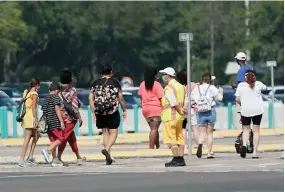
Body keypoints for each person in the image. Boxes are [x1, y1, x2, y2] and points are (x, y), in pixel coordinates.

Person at [89, 65, 127, 165]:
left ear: (101, 73)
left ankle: (108, 156)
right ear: (111, 72)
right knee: (114, 133)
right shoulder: (115, 82)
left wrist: (94, 111)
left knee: (105, 132)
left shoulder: (96, 83)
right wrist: (124, 110)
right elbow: (121, 98)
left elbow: (90, 98)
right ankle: (106, 149)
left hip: (100, 111)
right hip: (112, 111)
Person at [235, 70, 267, 159]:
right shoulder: (259, 84)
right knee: (256, 130)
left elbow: (237, 99)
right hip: (257, 110)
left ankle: (244, 145)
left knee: (246, 129)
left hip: (245, 110)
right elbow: (265, 88)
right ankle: (255, 152)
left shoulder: (241, 85)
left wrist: (243, 104)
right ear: (254, 76)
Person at [57, 69, 85, 166]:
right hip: (70, 119)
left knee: (71, 138)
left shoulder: (58, 90)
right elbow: (75, 106)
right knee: (64, 138)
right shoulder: (72, 90)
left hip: (60, 117)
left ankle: (78, 157)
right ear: (71, 79)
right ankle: (57, 157)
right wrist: (80, 118)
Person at [159, 67, 186, 167]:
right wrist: (182, 112)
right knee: (180, 137)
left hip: (170, 116)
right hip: (179, 118)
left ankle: (176, 159)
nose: (163, 76)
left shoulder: (169, 88)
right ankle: (181, 158)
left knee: (171, 139)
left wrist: (179, 110)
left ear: (168, 76)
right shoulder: (181, 86)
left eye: (164, 74)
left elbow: (173, 103)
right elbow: (185, 100)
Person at [192, 73, 219, 159]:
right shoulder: (212, 87)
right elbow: (219, 98)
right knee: (210, 133)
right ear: (210, 79)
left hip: (201, 112)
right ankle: (209, 153)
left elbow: (191, 98)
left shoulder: (197, 88)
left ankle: (200, 144)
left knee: (202, 133)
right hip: (210, 110)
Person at [40, 82, 66, 167]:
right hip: (55, 121)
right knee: (61, 138)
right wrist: (61, 121)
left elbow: (43, 110)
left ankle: (54, 160)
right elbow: (57, 109)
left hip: (48, 123)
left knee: (53, 141)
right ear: (57, 90)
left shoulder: (46, 98)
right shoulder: (55, 97)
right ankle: (47, 150)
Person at [138, 68, 163, 149]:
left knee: (154, 129)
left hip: (146, 109)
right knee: (154, 129)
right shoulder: (157, 84)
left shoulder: (142, 84)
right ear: (155, 75)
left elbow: (141, 97)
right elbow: (161, 98)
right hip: (155, 109)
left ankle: (157, 145)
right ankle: (151, 147)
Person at [18, 78, 40, 167]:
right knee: (27, 138)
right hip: (31, 117)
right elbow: (34, 108)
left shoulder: (26, 92)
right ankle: (21, 159)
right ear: (37, 85)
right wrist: (36, 119)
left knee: (36, 135)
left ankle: (30, 156)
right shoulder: (34, 94)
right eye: (39, 85)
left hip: (26, 116)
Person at [176, 70, 199, 145]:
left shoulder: (179, 86)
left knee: (183, 128)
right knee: (195, 128)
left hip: (182, 109)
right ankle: (199, 144)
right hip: (192, 109)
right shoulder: (193, 85)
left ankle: (184, 145)